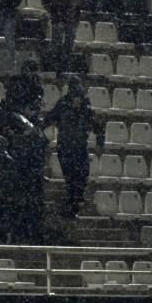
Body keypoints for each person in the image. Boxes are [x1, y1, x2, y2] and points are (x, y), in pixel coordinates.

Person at [43, 77, 104, 217]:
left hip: (78, 146)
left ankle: (74, 203)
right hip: (66, 146)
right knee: (72, 177)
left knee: (81, 175)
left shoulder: (85, 108)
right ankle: (72, 204)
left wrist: (100, 141)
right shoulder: (63, 105)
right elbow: (50, 119)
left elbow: (97, 125)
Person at [42, 0, 85, 74]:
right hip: (60, 18)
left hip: (70, 18)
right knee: (57, 44)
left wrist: (75, 2)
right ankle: (57, 67)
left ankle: (63, 67)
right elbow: (45, 1)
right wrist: (53, 8)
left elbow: (83, 0)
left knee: (67, 45)